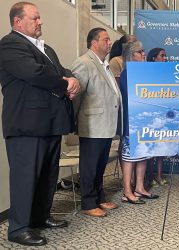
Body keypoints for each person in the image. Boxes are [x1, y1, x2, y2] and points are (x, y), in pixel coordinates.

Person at [0, 2, 80, 246]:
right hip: (27, 124)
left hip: (49, 123)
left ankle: (40, 216)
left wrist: (73, 79)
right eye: (35, 18)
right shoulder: (9, 44)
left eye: (39, 18)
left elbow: (61, 70)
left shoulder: (46, 48)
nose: (40, 22)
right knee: (26, 176)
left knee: (47, 174)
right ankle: (18, 228)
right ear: (18, 21)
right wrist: (65, 84)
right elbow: (35, 73)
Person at [72, 28, 121, 217]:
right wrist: (76, 122)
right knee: (90, 166)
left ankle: (99, 198)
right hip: (92, 124)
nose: (110, 43)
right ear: (94, 43)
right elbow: (76, 95)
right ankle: (88, 203)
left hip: (105, 124)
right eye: (106, 39)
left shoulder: (104, 64)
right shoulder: (84, 63)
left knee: (100, 166)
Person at [119, 41, 159, 203]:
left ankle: (140, 187)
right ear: (131, 55)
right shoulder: (126, 73)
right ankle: (127, 191)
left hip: (145, 120)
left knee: (144, 154)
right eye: (139, 52)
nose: (144, 54)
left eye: (143, 51)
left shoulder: (145, 72)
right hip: (132, 121)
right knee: (129, 156)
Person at [146, 47, 168, 186]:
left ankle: (159, 175)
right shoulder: (146, 73)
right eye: (162, 55)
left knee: (161, 147)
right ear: (154, 58)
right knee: (149, 148)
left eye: (165, 56)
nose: (165, 58)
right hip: (149, 115)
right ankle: (149, 176)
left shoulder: (167, 73)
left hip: (163, 114)